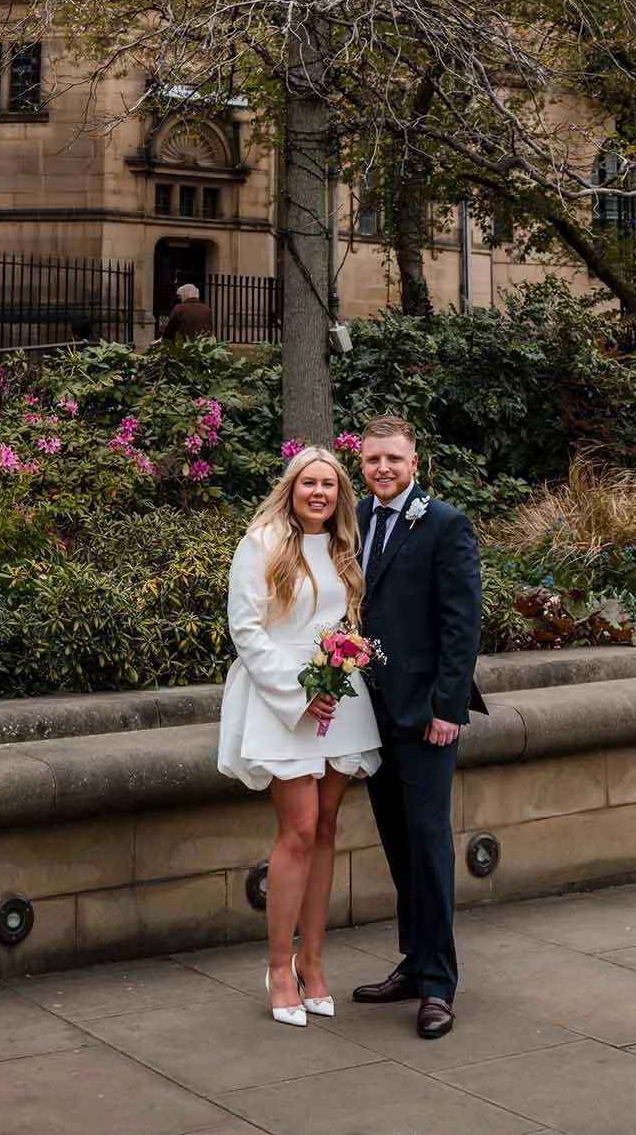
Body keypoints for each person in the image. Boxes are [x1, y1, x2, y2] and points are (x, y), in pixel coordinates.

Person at [217, 446, 381, 1026]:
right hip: (282, 697)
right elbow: (246, 630)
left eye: (328, 485)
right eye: (309, 483)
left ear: (340, 495)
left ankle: (312, 962)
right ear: (291, 488)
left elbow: (343, 622)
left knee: (328, 826)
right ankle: (278, 968)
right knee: (300, 828)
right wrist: (298, 693)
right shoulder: (261, 543)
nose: (318, 493)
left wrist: (340, 668)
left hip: (337, 697)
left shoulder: (342, 547)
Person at [350, 414, 484, 1042]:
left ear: (414, 462)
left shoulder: (444, 524)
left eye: (393, 459)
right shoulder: (355, 520)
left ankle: (438, 985)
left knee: (429, 847)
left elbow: (462, 624)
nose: (383, 468)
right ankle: (413, 961)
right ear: (362, 463)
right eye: (373, 459)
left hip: (427, 714)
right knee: (397, 843)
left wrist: (447, 709)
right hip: (370, 712)